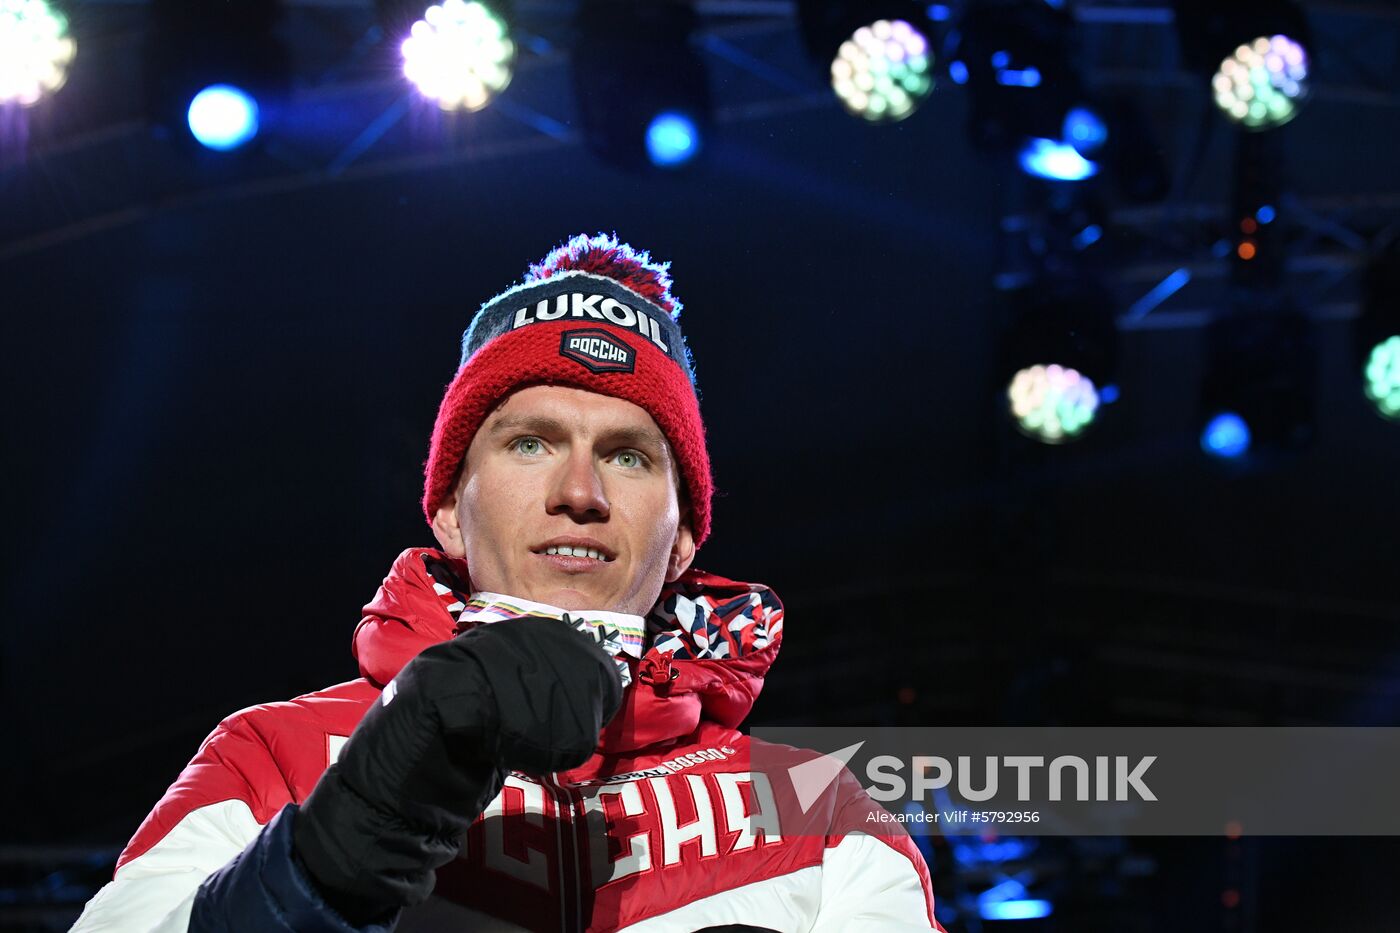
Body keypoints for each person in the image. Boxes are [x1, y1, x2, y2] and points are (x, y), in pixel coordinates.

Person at [71, 234, 942, 932]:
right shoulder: (271, 754)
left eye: (629, 456)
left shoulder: (823, 812)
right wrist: (320, 871)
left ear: (683, 541)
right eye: (530, 442)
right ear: (450, 507)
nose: (579, 493)